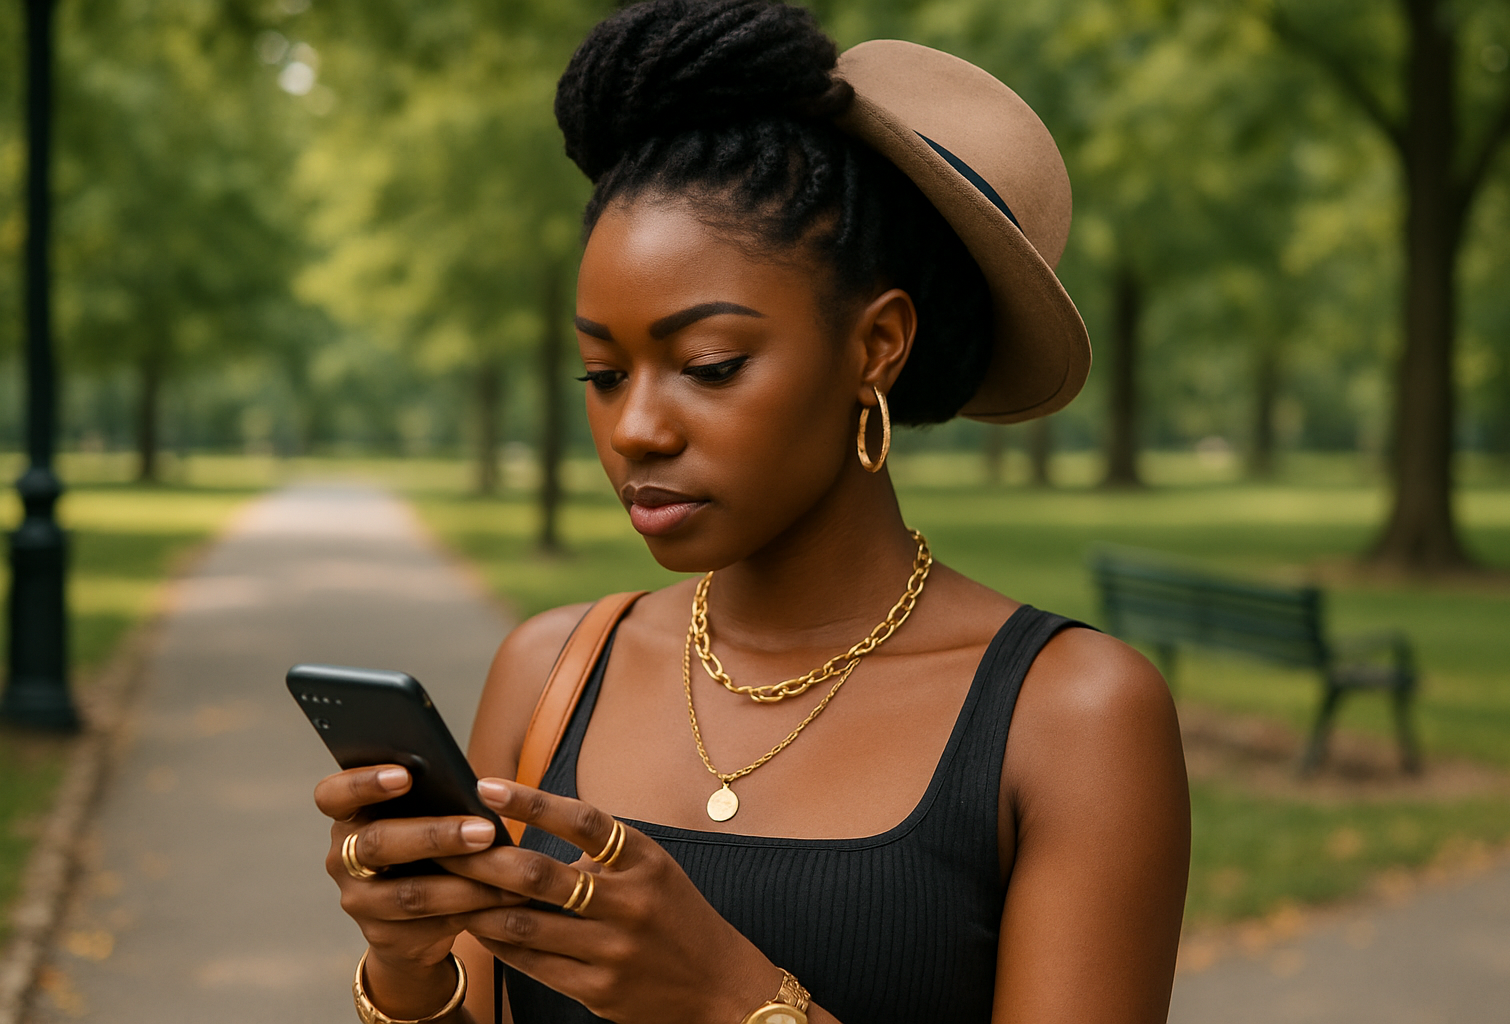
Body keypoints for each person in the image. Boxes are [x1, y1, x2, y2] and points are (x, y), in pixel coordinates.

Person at [312, 2, 1190, 1022]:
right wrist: (407, 966)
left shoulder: (1069, 715)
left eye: (708, 365)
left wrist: (728, 998)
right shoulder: (551, 671)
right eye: (601, 371)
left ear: (877, 346)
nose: (635, 426)